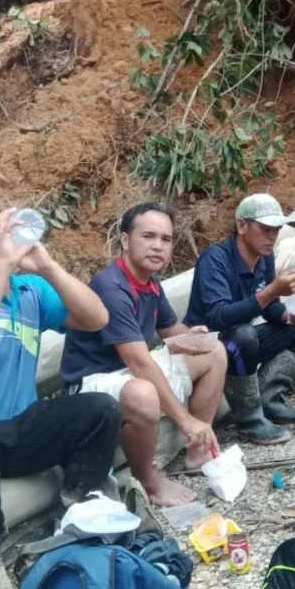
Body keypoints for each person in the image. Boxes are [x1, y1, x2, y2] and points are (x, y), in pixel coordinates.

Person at [0, 197, 121, 567]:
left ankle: (82, 512)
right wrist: (2, 264)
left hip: (22, 425)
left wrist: (47, 268)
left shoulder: (29, 290)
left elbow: (96, 318)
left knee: (100, 409)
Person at [60, 203, 227, 506]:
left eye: (165, 239)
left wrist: (196, 337)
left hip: (126, 373)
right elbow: (137, 361)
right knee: (143, 391)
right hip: (90, 384)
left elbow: (171, 331)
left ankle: (199, 448)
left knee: (213, 350)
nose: (158, 246)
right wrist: (186, 420)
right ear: (125, 240)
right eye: (148, 236)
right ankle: (148, 479)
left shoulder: (150, 283)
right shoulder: (111, 286)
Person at [184, 193, 295, 444]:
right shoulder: (215, 259)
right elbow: (217, 317)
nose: (272, 237)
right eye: (265, 229)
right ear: (241, 226)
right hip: (205, 342)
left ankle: (270, 399)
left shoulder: (264, 258)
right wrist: (271, 291)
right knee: (243, 336)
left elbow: (269, 308)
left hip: (238, 337)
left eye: (276, 230)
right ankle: (249, 420)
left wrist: (288, 316)